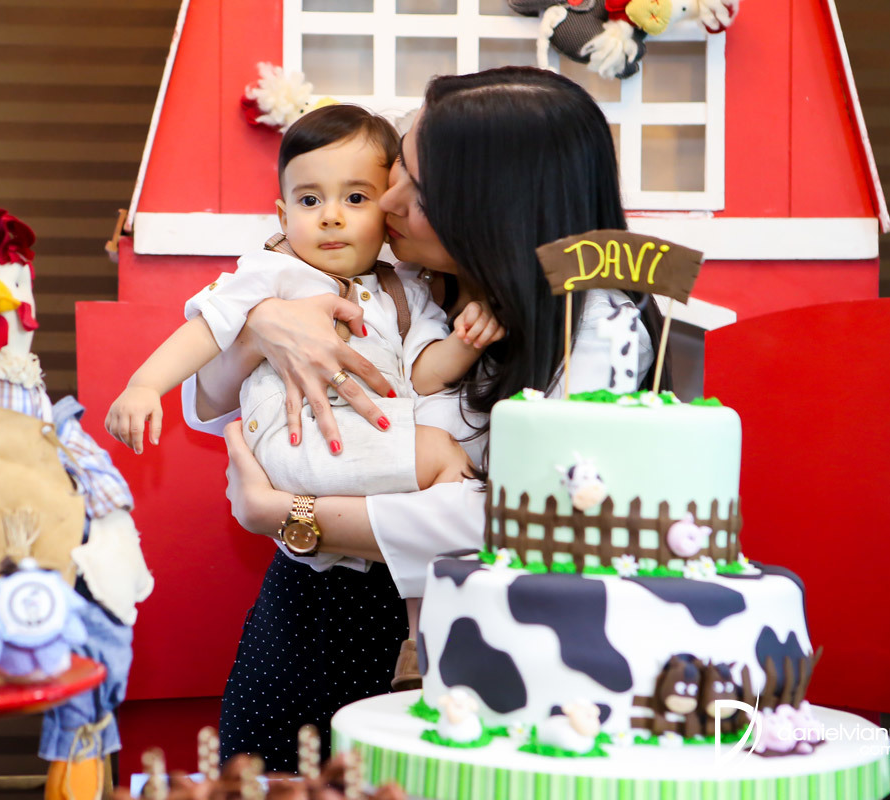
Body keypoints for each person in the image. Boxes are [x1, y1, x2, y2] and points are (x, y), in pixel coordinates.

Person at [183, 66, 671, 770]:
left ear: (494, 207)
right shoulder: (396, 270)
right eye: (399, 170)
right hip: (308, 624)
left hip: (478, 650)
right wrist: (264, 326)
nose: (389, 199)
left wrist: (295, 515)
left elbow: (529, 516)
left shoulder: (593, 329)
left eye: (420, 187)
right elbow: (209, 403)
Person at [104, 103, 504, 689]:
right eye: (310, 200)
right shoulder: (274, 274)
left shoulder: (404, 291)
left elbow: (423, 375)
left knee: (432, 473)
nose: (331, 217)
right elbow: (207, 329)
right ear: (283, 212)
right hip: (305, 440)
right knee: (445, 461)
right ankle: (424, 641)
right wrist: (145, 384)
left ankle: (417, 644)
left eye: (356, 198)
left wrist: (466, 341)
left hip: (358, 453)